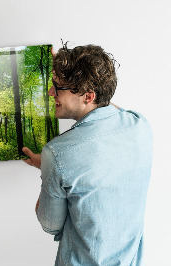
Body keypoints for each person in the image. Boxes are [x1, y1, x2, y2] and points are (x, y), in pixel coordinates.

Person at [22, 44, 153, 265]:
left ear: (87, 96)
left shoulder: (57, 153)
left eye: (58, 87)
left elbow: (50, 225)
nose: (51, 92)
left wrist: (49, 169)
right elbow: (105, 106)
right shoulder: (140, 125)